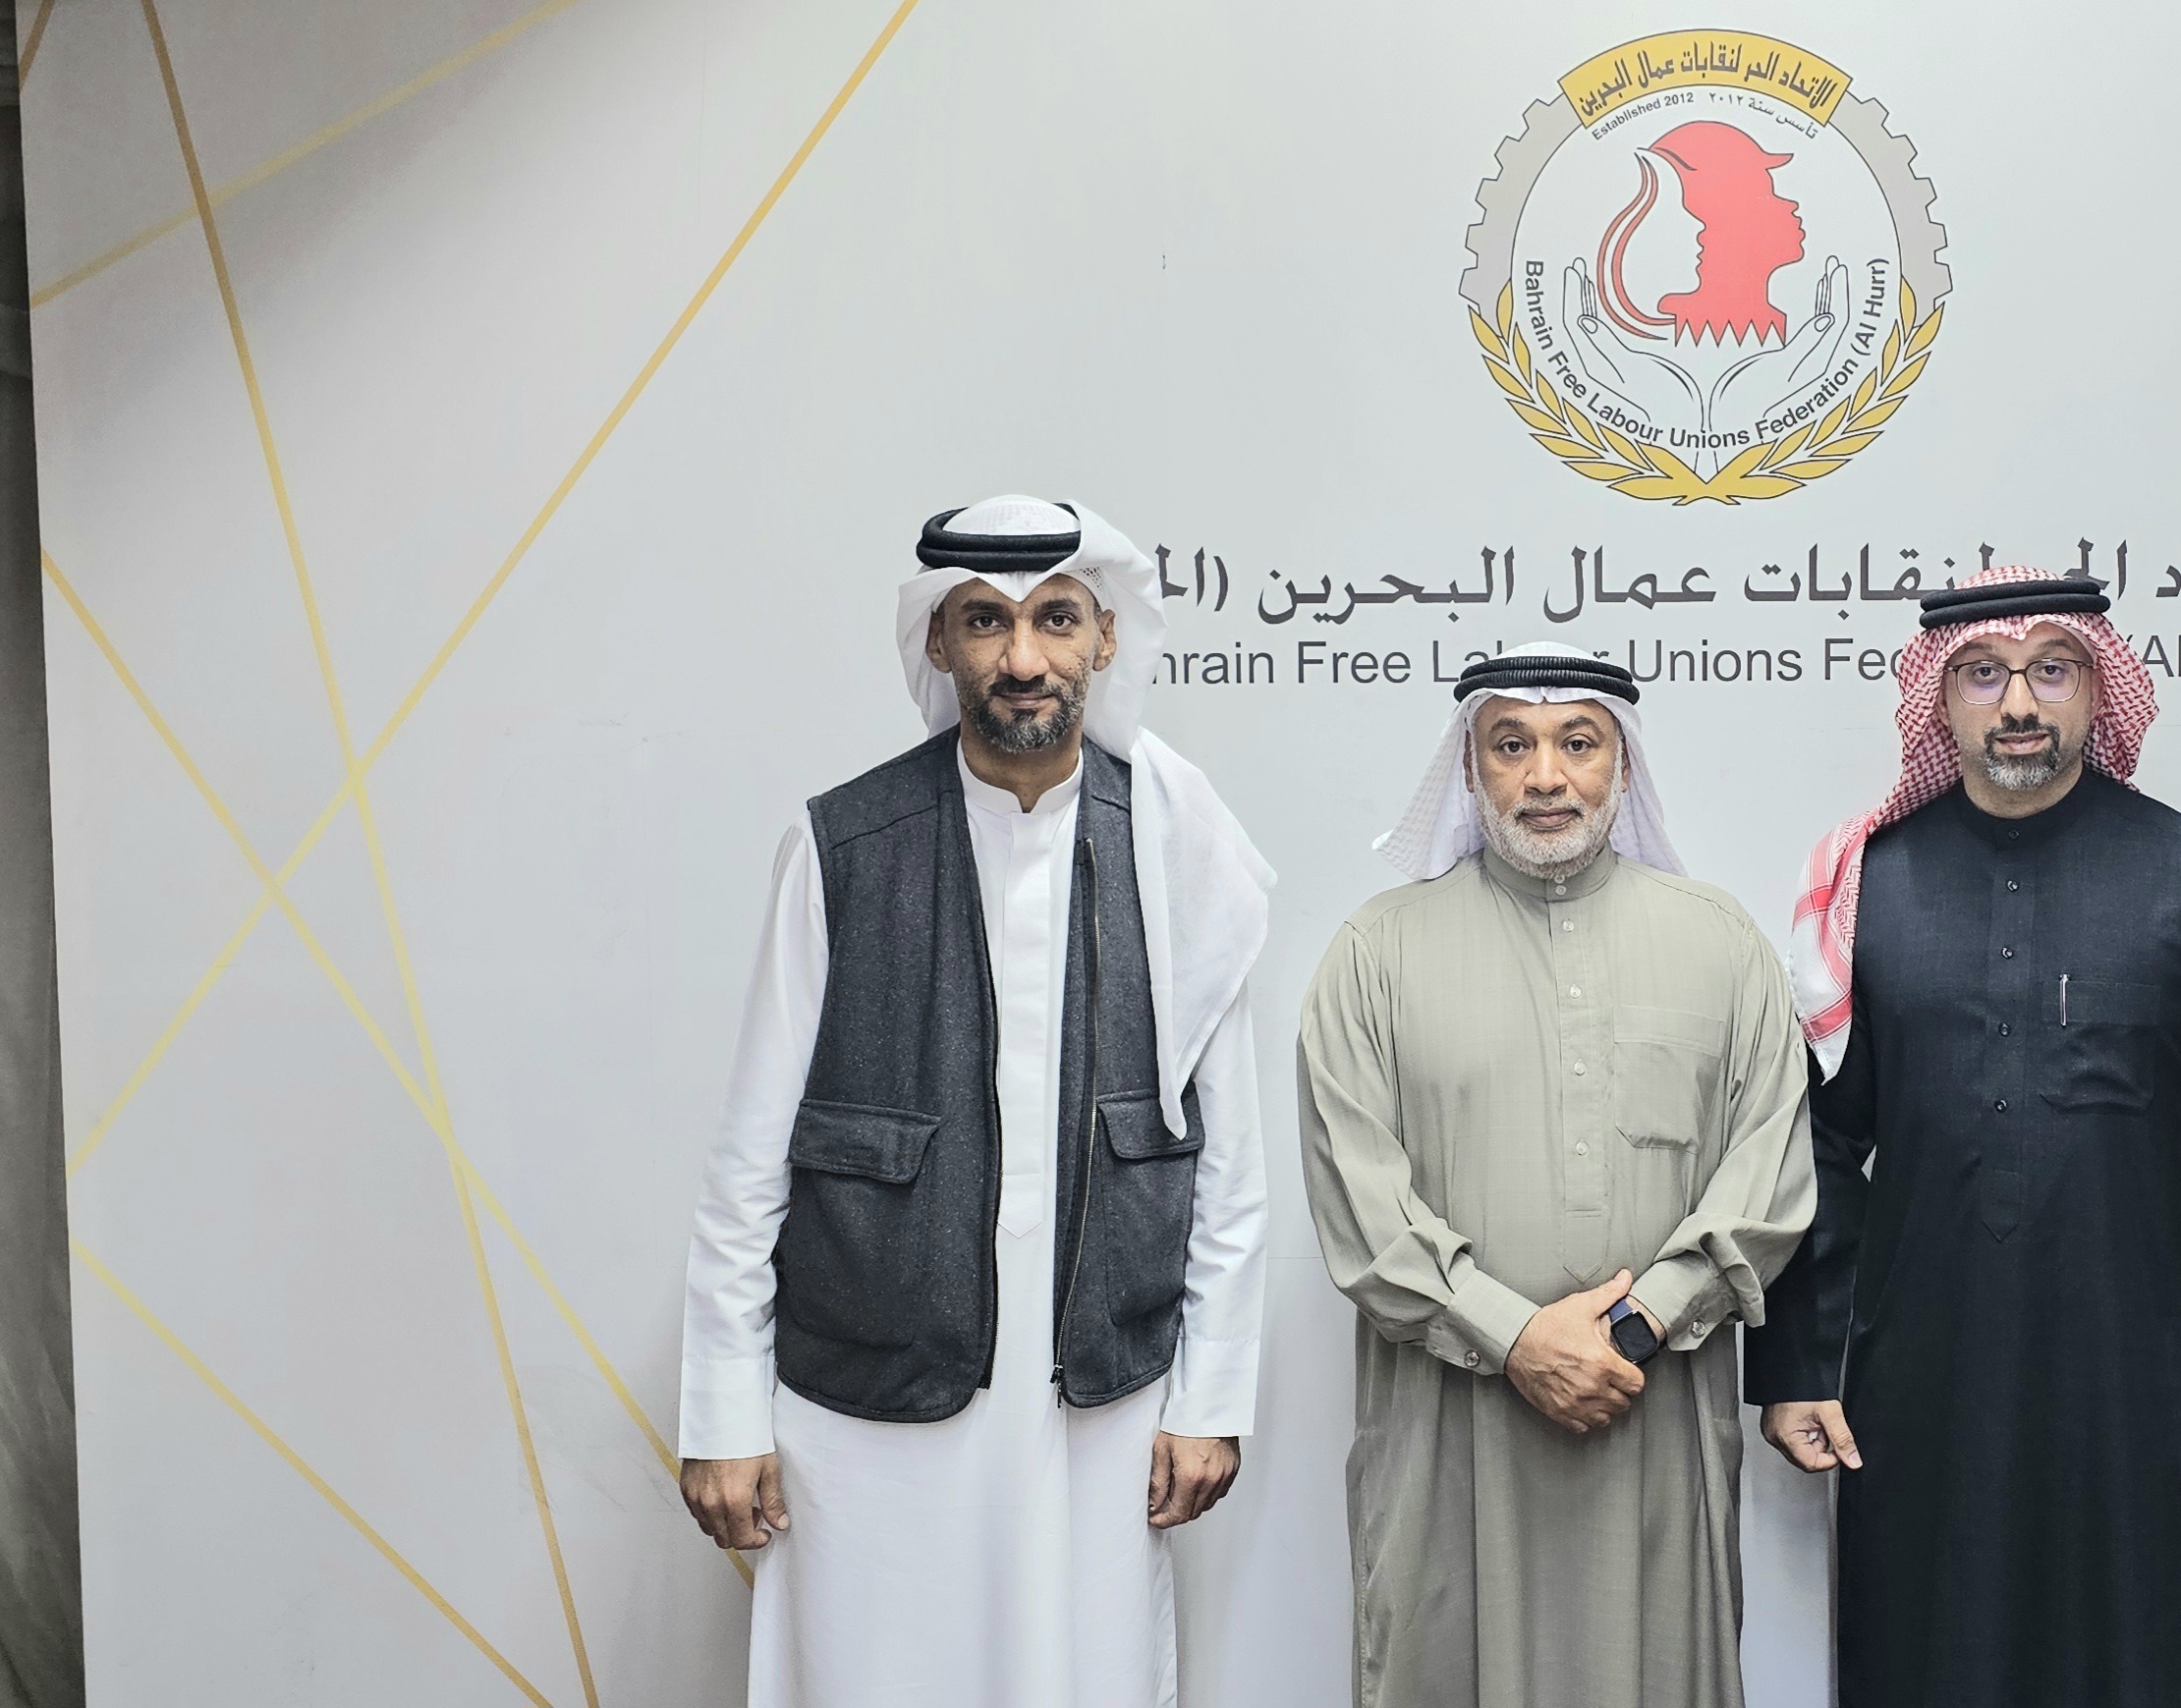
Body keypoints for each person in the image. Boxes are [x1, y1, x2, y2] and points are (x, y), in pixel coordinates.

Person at [677, 496, 1273, 1707]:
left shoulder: (1182, 848)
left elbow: (1232, 1167)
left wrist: (1212, 1398)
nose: (1023, 657)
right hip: (869, 1410)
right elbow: (750, 1159)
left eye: (1055, 619)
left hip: (1100, 1406)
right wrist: (724, 1412)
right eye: (986, 622)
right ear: (940, 642)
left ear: (1106, 638)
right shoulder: (842, 844)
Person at [1750, 569, 2181, 1708]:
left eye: (2050, 669)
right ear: (1939, 698)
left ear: (2097, 689)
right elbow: (1818, 1142)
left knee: (2153, 1660)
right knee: (1933, 1657)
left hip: (2153, 1387)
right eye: (1983, 674)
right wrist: (1799, 1366)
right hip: (1922, 1386)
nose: (2018, 702)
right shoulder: (1875, 887)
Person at [1297, 644, 1817, 1708]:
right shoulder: (1373, 954)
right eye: (1511, 745)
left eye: (1578, 743)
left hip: (1653, 1420)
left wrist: (1636, 1326)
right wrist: (1517, 1337)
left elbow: (1767, 1169)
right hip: (1449, 1435)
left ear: (1622, 764)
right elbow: (1361, 1204)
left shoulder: (1723, 944)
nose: (1545, 776)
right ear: (1470, 767)